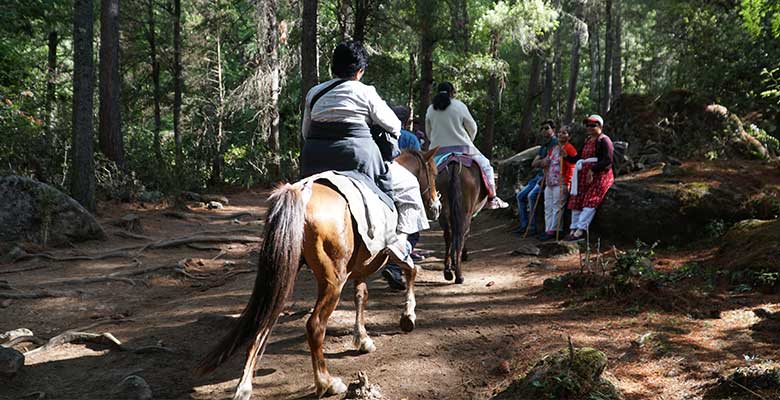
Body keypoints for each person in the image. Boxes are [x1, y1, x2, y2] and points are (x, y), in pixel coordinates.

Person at [300, 41, 427, 267]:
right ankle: (400, 246)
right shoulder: (366, 92)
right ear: (360, 71)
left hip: (314, 159)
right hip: (356, 160)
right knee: (408, 186)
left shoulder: (314, 93)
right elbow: (394, 127)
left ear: (333, 68)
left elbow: (305, 131)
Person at [425, 82, 509, 209]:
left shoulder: (430, 109)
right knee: (487, 166)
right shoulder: (459, 105)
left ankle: (426, 202)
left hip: (439, 151)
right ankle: (492, 198)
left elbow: (428, 131)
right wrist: (469, 139)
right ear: (452, 92)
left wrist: (436, 141)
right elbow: (472, 126)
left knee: (425, 173)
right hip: (463, 148)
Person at [383, 106, 425, 290]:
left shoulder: (378, 133)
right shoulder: (411, 138)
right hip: (402, 185)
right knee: (412, 225)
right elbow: (418, 163)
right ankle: (395, 265)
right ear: (407, 121)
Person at [563, 114, 614, 241]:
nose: (590, 127)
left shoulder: (604, 140)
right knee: (577, 199)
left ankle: (580, 230)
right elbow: (579, 157)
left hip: (600, 175)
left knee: (590, 200)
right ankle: (573, 228)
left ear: (600, 126)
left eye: (593, 125)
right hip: (584, 175)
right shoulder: (588, 141)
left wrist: (593, 169)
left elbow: (607, 160)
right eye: (588, 125)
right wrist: (566, 157)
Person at [511, 120, 558, 235]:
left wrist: (541, 161)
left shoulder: (555, 143)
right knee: (520, 196)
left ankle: (533, 228)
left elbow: (547, 161)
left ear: (553, 129)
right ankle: (524, 225)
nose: (544, 131)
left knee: (532, 196)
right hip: (538, 176)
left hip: (548, 177)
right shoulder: (544, 145)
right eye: (542, 129)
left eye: (547, 128)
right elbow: (534, 163)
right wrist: (541, 161)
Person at [538, 126, 577, 241]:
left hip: (561, 182)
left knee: (557, 206)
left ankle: (554, 230)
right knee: (548, 206)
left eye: (564, 133)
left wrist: (568, 181)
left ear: (569, 136)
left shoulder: (570, 149)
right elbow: (546, 161)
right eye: (559, 132)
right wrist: (544, 162)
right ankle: (547, 229)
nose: (560, 135)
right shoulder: (553, 148)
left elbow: (572, 166)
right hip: (550, 182)